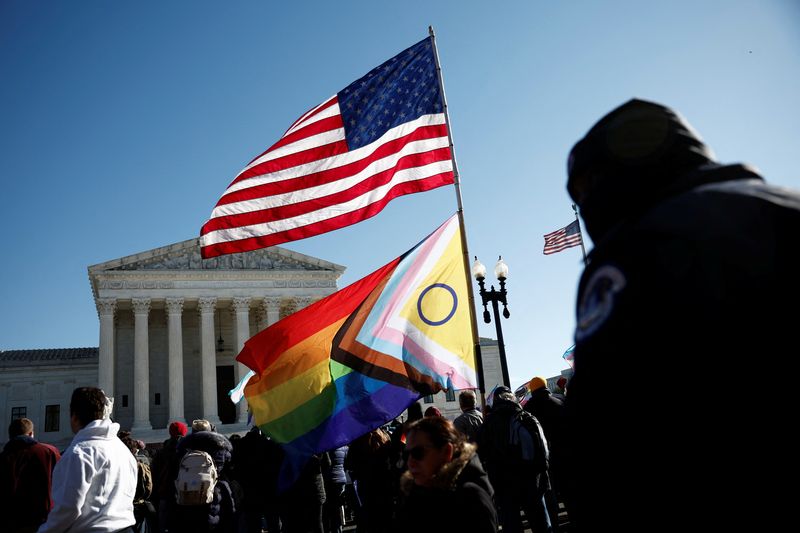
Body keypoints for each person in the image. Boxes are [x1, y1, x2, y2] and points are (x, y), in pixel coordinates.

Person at [564, 99, 800, 530]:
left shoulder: (635, 250)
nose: (586, 205)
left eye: (590, 186)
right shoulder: (785, 205)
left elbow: (604, 430)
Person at [38, 387, 138, 533]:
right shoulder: (122, 450)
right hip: (125, 528)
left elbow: (68, 508)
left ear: (74, 416)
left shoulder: (79, 453)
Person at [393, 416, 497, 532]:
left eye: (418, 453)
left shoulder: (471, 499)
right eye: (406, 455)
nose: (410, 462)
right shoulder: (412, 493)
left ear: (447, 451)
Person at [478, 387, 554, 533]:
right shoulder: (526, 416)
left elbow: (480, 454)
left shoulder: (489, 423)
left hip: (503, 483)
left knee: (512, 525)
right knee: (541, 523)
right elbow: (542, 450)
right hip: (531, 479)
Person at [0, 418, 61, 533]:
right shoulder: (49, 452)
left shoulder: (3, 458)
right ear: (31, 434)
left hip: (10, 523)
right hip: (43, 521)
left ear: (10, 436)